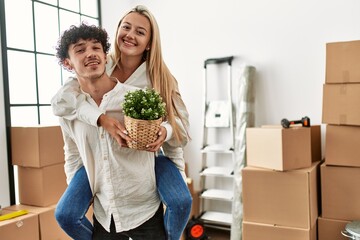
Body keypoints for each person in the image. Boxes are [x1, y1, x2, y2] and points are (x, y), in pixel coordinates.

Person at [52, 5, 192, 240]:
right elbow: (62, 102)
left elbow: (182, 126)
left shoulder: (158, 77)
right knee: (65, 213)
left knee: (180, 200)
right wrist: (101, 119)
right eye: (126, 27)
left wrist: (164, 131)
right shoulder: (100, 64)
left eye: (140, 32)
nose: (130, 35)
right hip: (100, 156)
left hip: (150, 155)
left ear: (149, 42)